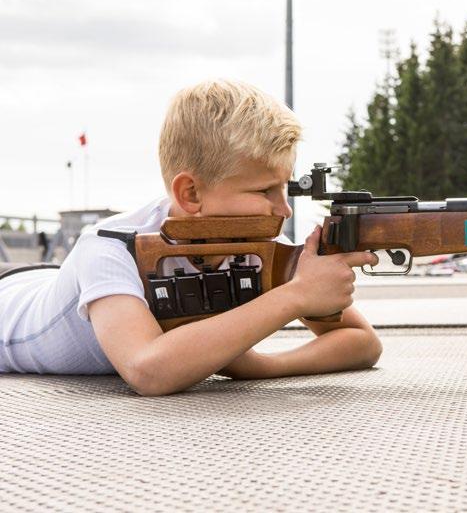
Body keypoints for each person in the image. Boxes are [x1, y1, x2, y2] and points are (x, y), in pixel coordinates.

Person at [0, 80, 381, 395]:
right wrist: (296, 296)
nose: (284, 210)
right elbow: (148, 370)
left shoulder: (250, 246)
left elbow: (362, 343)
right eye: (265, 191)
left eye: (285, 189)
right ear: (191, 195)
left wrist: (264, 367)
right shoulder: (109, 247)